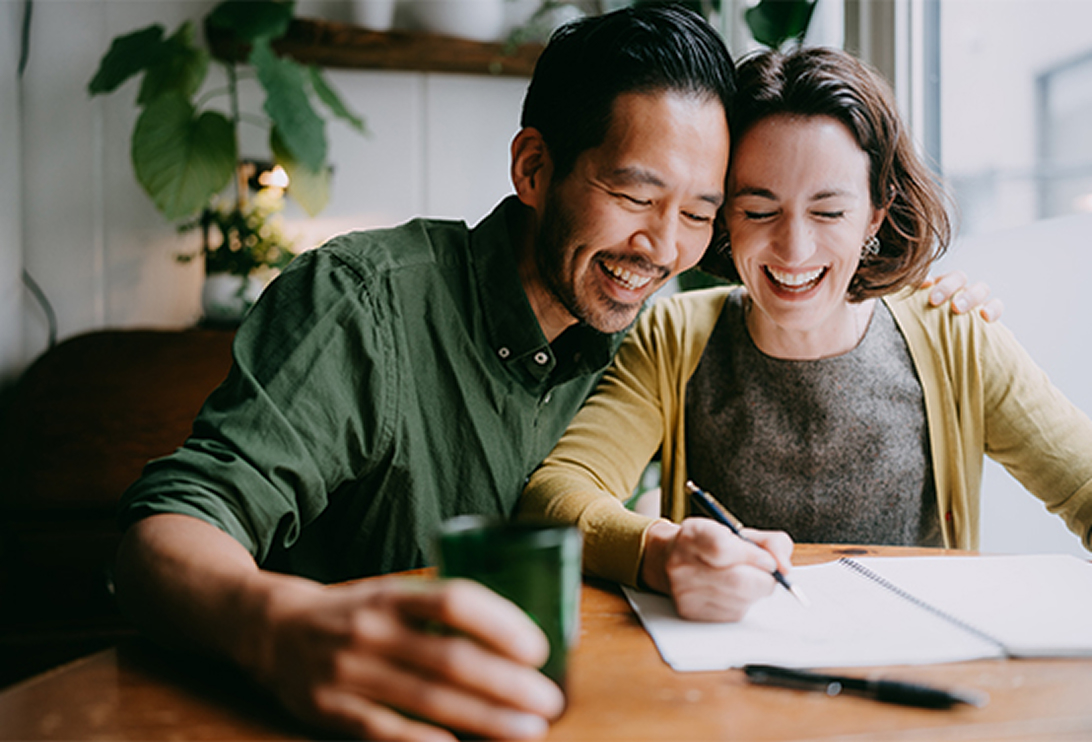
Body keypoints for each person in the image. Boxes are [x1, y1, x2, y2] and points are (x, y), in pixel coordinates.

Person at [114, 8, 988, 738]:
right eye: (635, 196)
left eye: (698, 213)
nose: (662, 248)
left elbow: (806, 295)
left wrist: (921, 303)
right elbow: (167, 532)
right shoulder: (365, 302)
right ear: (535, 168)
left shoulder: (648, 334)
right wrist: (278, 627)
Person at [519, 46, 1092, 625]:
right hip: (731, 670)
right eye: (758, 210)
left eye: (828, 212)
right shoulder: (673, 337)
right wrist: (660, 552)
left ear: (875, 214)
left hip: (918, 666)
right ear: (724, 217)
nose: (794, 250)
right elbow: (557, 493)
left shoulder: (954, 335)